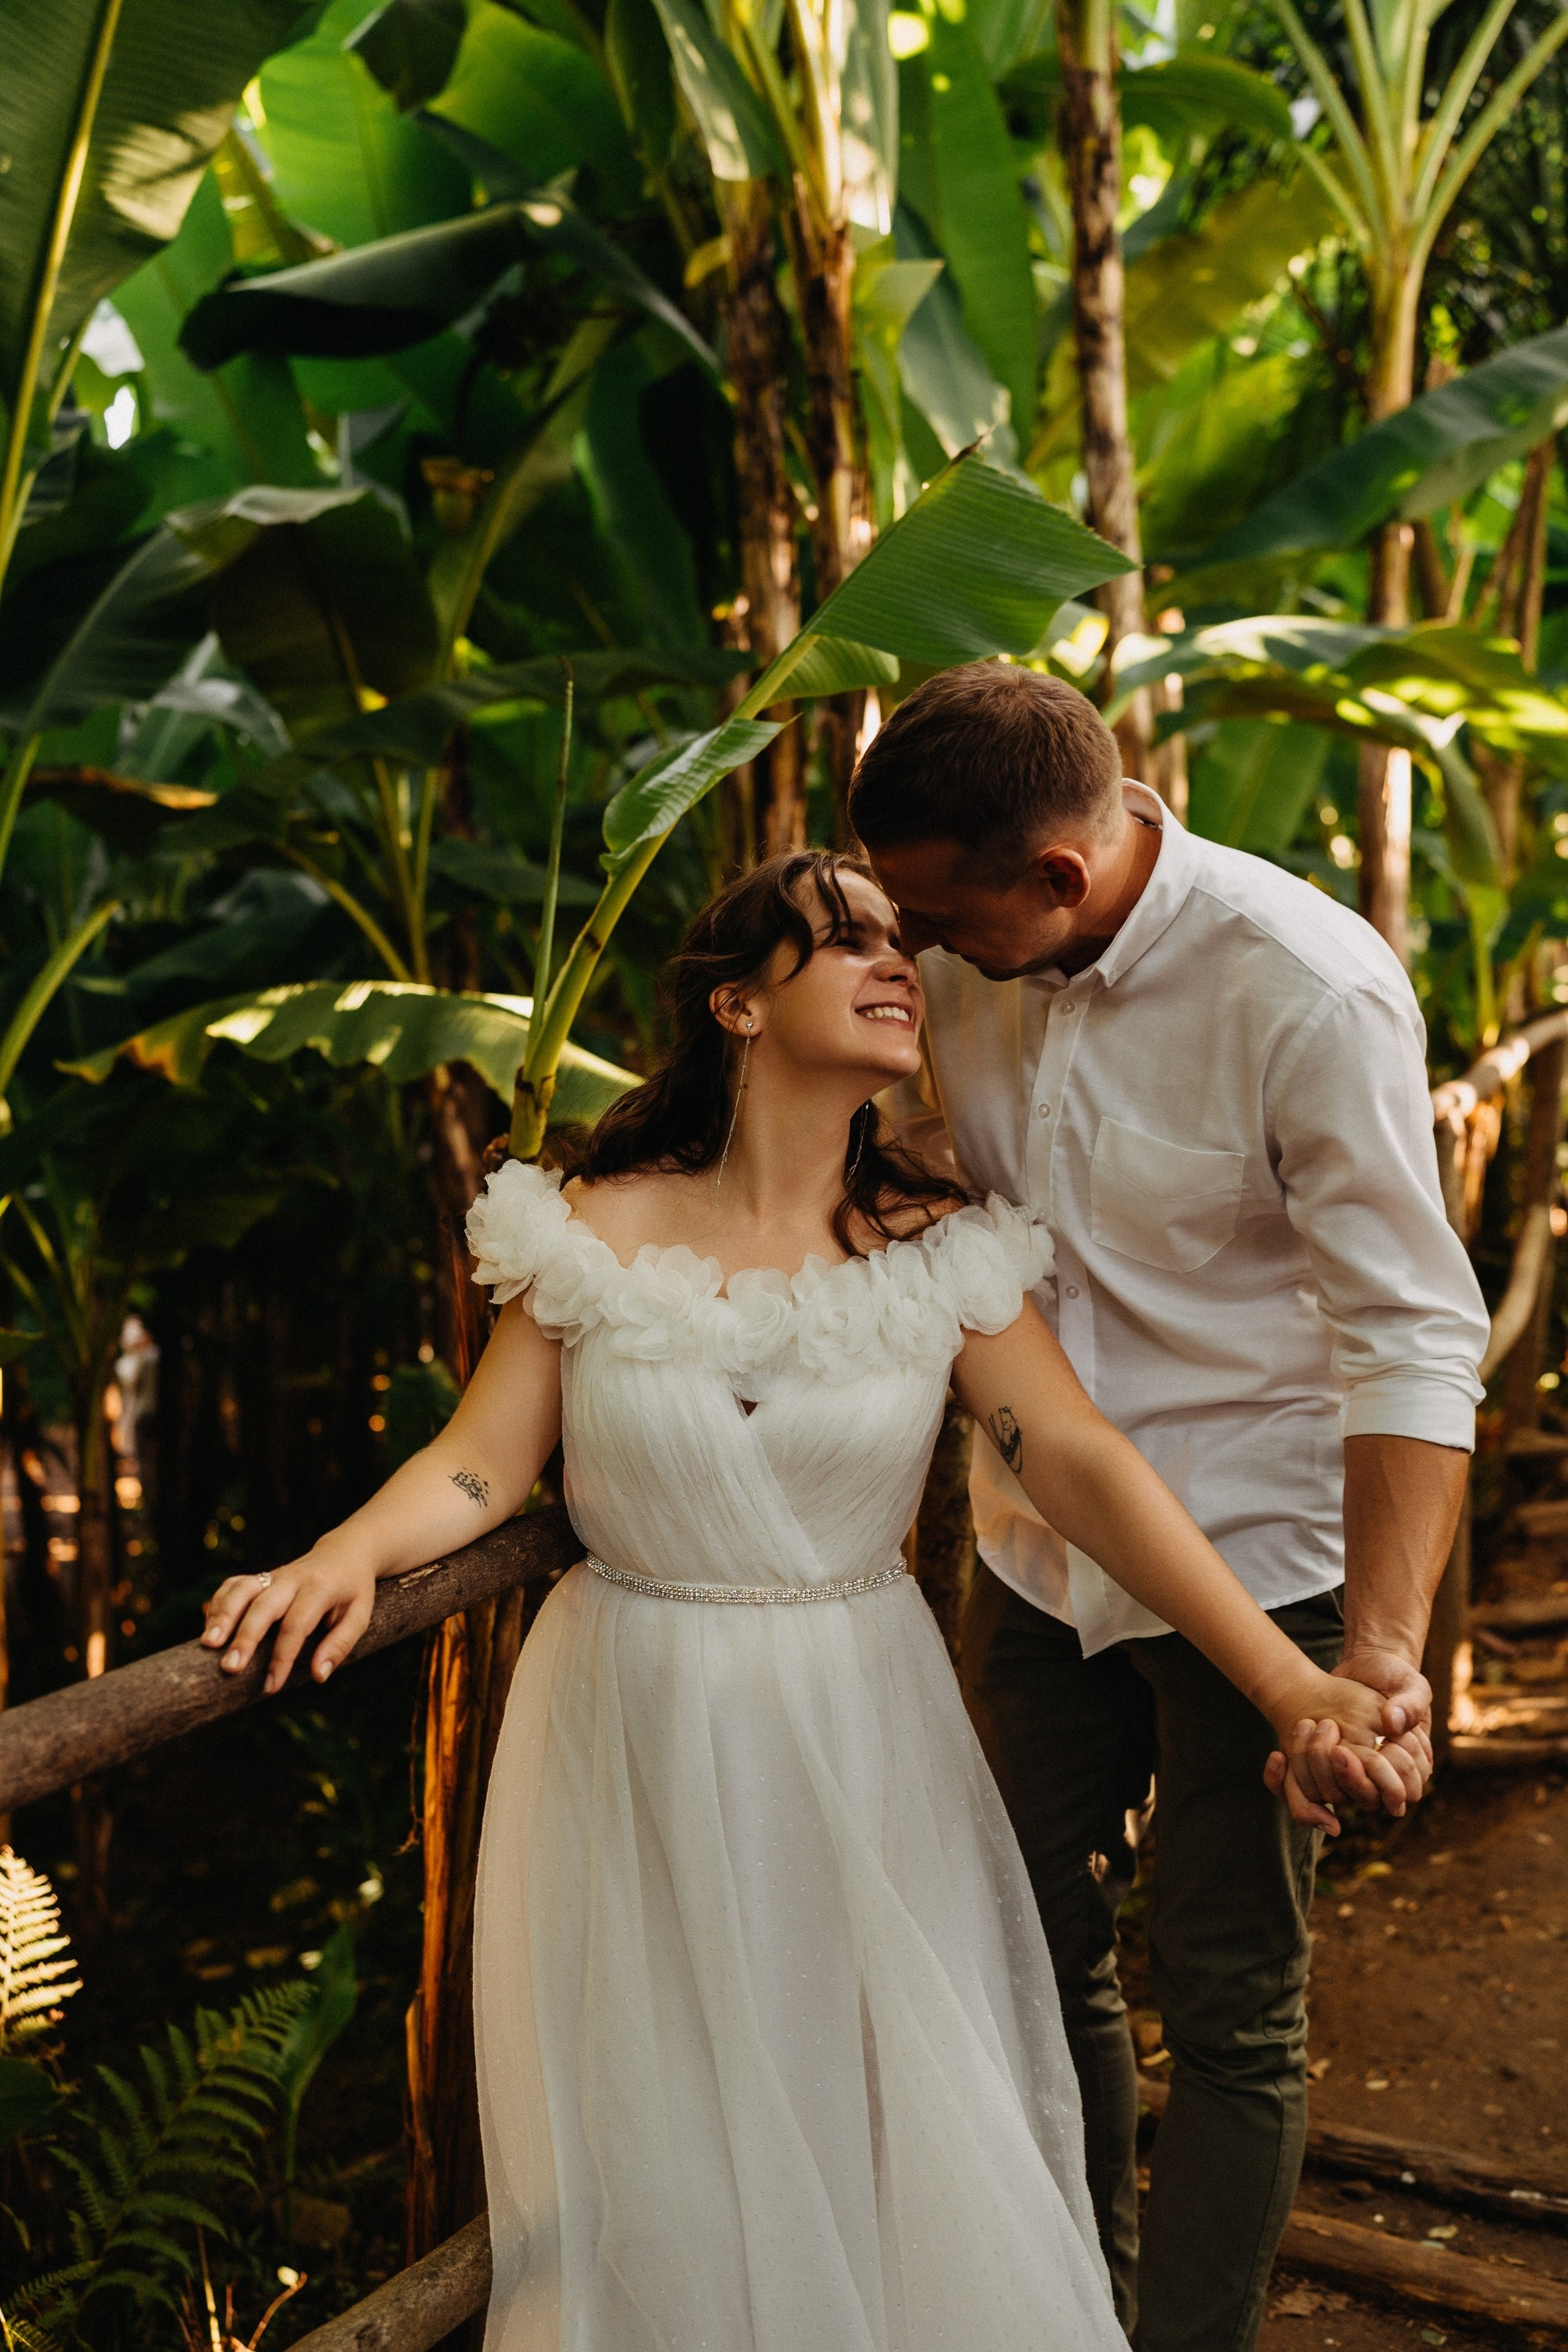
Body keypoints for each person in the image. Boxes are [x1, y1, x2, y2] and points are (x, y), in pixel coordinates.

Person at [200, 853, 1414, 2352]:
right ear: (741, 1004)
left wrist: (1292, 1686)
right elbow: (480, 1465)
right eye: (845, 942)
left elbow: (1086, 1468)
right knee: (662, 2122)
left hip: (862, 1723)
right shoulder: (591, 1223)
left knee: (884, 2103)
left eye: (904, 940)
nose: (900, 965)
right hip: (628, 1721)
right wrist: (343, 1554)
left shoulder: (941, 1244)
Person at [848, 665, 1489, 2352]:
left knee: (1231, 2002)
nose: (912, 944)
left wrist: (1374, 1654)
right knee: (1022, 1947)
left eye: (938, 911)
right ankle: (1077, 2306)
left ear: (1058, 875)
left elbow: (1414, 1333)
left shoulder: (1306, 989)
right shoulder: (956, 963)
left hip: (1258, 1569)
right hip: (1031, 1555)